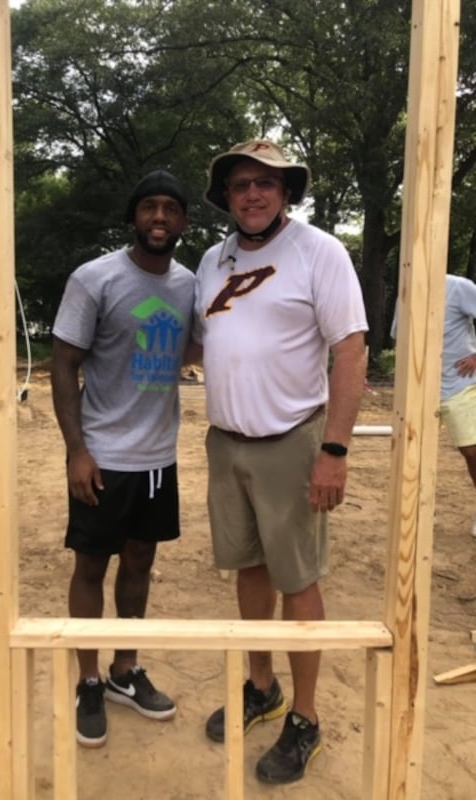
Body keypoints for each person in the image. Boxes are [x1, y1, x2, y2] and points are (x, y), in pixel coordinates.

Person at [192, 140, 368, 785]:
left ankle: (308, 718)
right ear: (227, 197)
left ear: (286, 192)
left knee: (298, 578)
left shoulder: (319, 252)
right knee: (249, 566)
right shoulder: (214, 260)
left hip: (293, 441)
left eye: (267, 183)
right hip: (226, 442)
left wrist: (335, 451)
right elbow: (202, 339)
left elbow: (350, 350)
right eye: (241, 184)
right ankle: (261, 688)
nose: (254, 194)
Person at [51, 170, 195, 748]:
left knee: (140, 565)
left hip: (159, 457)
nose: (159, 218)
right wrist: (77, 451)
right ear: (133, 217)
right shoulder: (96, 278)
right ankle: (88, 678)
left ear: (184, 221)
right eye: (148, 208)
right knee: (91, 567)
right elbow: (62, 364)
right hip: (103, 456)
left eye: (171, 209)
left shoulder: (189, 284)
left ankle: (123, 671)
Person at [391, 273, 476, 537]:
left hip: (460, 385)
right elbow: (398, 335)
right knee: (413, 453)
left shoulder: (459, 287)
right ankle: (414, 512)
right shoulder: (406, 289)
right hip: (420, 390)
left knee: (472, 450)